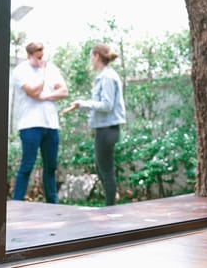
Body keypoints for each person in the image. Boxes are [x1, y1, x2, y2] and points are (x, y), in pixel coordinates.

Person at [64, 43, 126, 206]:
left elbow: (107, 105)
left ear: (97, 56)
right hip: (104, 129)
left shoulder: (107, 77)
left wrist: (83, 103)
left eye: (91, 56)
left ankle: (110, 209)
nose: (90, 60)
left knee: (106, 171)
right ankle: (110, 207)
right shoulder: (105, 75)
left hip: (108, 129)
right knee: (102, 169)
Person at [11, 42, 68, 204]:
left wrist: (45, 96)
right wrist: (43, 74)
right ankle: (17, 203)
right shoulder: (20, 71)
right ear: (29, 56)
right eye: (38, 57)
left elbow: (64, 91)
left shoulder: (53, 69)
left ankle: (53, 203)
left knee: (51, 167)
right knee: (27, 165)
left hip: (51, 125)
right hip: (30, 125)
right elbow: (32, 91)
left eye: (43, 56)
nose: (42, 60)